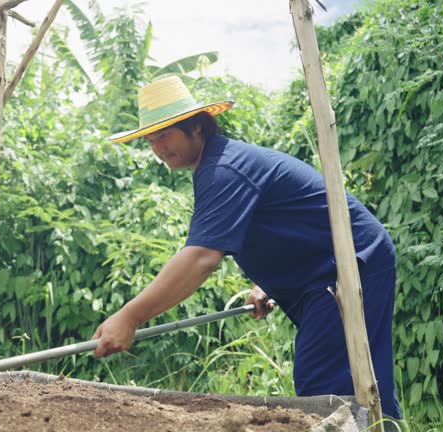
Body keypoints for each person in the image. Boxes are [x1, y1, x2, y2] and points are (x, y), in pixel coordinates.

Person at [91, 75, 402, 418]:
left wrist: (131, 316)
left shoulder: (224, 169)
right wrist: (266, 282)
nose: (159, 148)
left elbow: (201, 258)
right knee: (362, 383)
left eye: (165, 135)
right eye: (151, 140)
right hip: (335, 264)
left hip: (349, 261)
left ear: (197, 127)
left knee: (324, 386)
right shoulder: (219, 164)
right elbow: (281, 222)